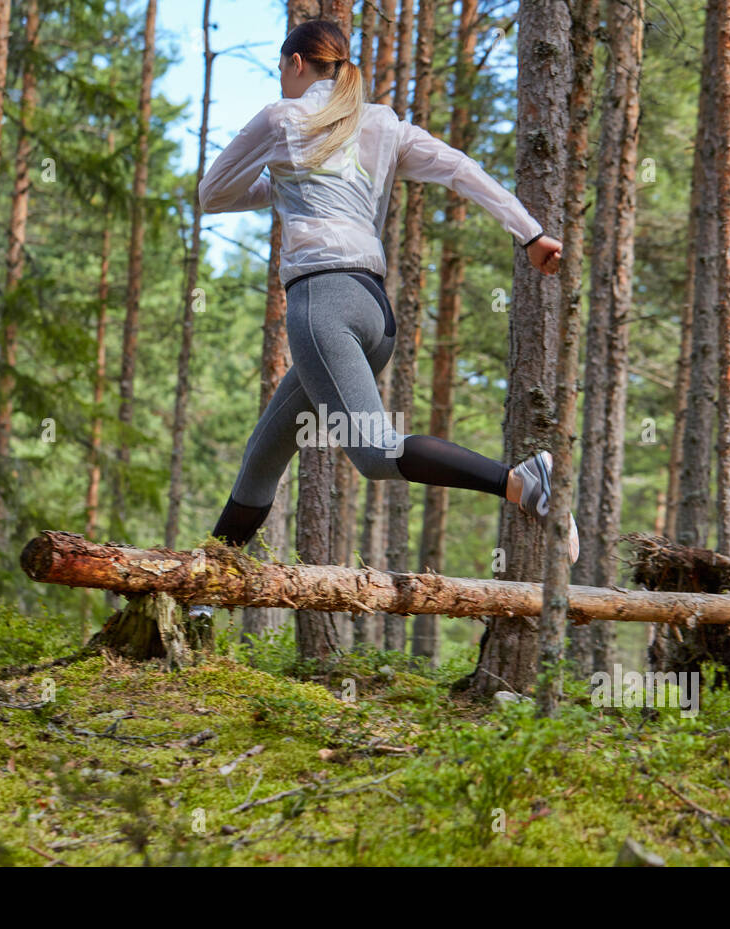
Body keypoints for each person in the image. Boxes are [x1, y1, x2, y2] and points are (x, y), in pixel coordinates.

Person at [199, 18, 578, 565]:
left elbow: (213, 194)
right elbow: (460, 170)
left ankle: (520, 483)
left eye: (282, 70)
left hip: (320, 307)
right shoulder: (383, 123)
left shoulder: (282, 117)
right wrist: (532, 233)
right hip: (374, 314)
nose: (281, 81)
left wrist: (277, 185)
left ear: (297, 63)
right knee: (264, 455)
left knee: (376, 453)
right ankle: (202, 599)